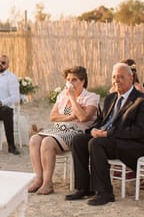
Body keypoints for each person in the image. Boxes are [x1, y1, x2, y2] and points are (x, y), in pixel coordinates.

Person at [66, 63, 144, 206]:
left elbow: (139, 130)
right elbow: (101, 121)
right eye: (114, 77)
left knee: (96, 143)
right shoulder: (110, 98)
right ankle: (84, 188)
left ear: (131, 78)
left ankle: (105, 192)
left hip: (130, 144)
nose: (116, 80)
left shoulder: (143, 101)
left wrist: (108, 134)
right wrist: (93, 130)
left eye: (120, 77)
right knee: (79, 140)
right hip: (108, 139)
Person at [28, 66, 100, 196]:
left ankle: (48, 183)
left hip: (77, 132)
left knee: (47, 142)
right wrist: (72, 117)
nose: (70, 83)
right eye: (68, 80)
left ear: (83, 81)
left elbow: (84, 118)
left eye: (74, 80)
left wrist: (72, 98)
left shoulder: (91, 97)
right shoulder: (62, 95)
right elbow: (53, 116)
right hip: (58, 128)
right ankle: (39, 178)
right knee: (34, 140)